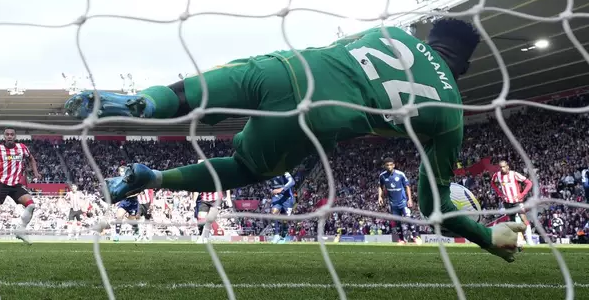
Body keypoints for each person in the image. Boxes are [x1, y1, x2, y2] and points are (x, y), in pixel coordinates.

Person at [65, 18, 525, 261]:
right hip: (319, 117)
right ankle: (155, 178)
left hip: (287, 68)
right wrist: (486, 236)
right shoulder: (449, 113)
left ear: (429, 36)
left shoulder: (389, 33)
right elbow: (434, 208)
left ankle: (143, 102)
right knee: (246, 166)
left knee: (191, 95)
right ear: (463, 67)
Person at [0, 127, 41, 245]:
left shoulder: (22, 148)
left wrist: (36, 172)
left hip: (16, 185)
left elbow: (31, 159)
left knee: (31, 205)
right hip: (1, 184)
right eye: (7, 134)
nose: (10, 136)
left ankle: (20, 230)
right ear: (4, 137)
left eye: (12, 134)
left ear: (15, 136)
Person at [490, 160, 534, 245]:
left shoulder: (514, 174)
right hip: (507, 202)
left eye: (503, 167)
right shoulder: (497, 175)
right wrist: (499, 193)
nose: (502, 169)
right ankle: (517, 241)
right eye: (500, 167)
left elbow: (529, 183)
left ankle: (530, 240)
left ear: (507, 167)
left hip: (517, 201)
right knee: (512, 221)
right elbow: (492, 183)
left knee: (523, 218)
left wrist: (522, 194)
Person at [378, 157, 418, 244]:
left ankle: (415, 237)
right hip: (393, 204)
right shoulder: (382, 176)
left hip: (402, 201)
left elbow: (407, 186)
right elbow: (380, 186)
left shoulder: (400, 174)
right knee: (397, 221)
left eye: (391, 165)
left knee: (408, 218)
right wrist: (380, 197)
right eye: (387, 165)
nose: (389, 167)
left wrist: (410, 199)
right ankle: (401, 239)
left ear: (394, 165)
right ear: (385, 166)